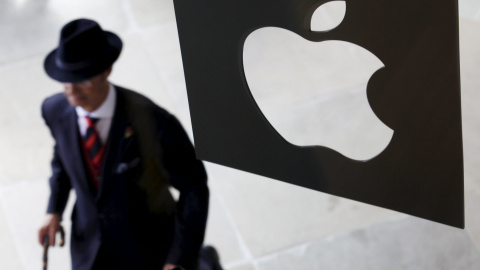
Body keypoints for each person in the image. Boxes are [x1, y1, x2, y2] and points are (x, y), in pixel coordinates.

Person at [37, 18, 220, 270]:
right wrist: (54, 208)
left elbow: (195, 187)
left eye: (83, 79)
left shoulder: (155, 122)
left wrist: (177, 259)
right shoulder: (54, 110)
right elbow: (63, 158)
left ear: (107, 71)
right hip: (89, 247)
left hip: (150, 248)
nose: (72, 90)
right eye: (66, 80)